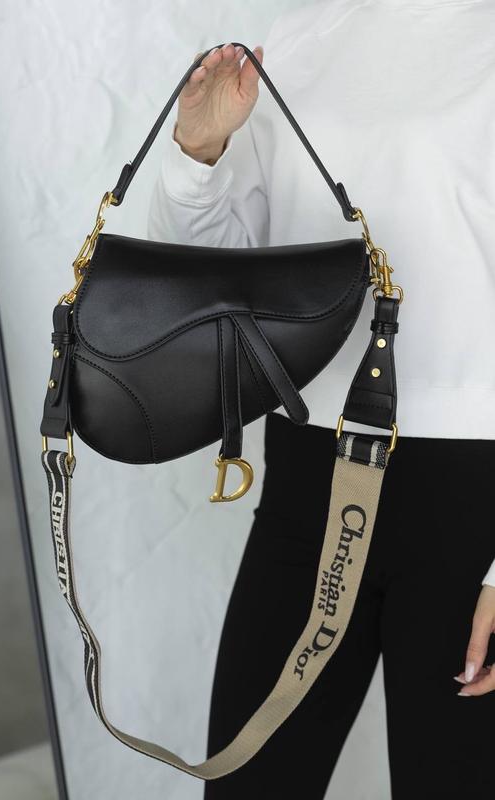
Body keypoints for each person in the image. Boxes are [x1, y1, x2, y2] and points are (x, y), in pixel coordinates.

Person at [146, 2, 495, 796]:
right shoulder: (303, 32)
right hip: (309, 474)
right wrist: (199, 152)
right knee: (247, 781)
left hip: (472, 501)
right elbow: (218, 285)